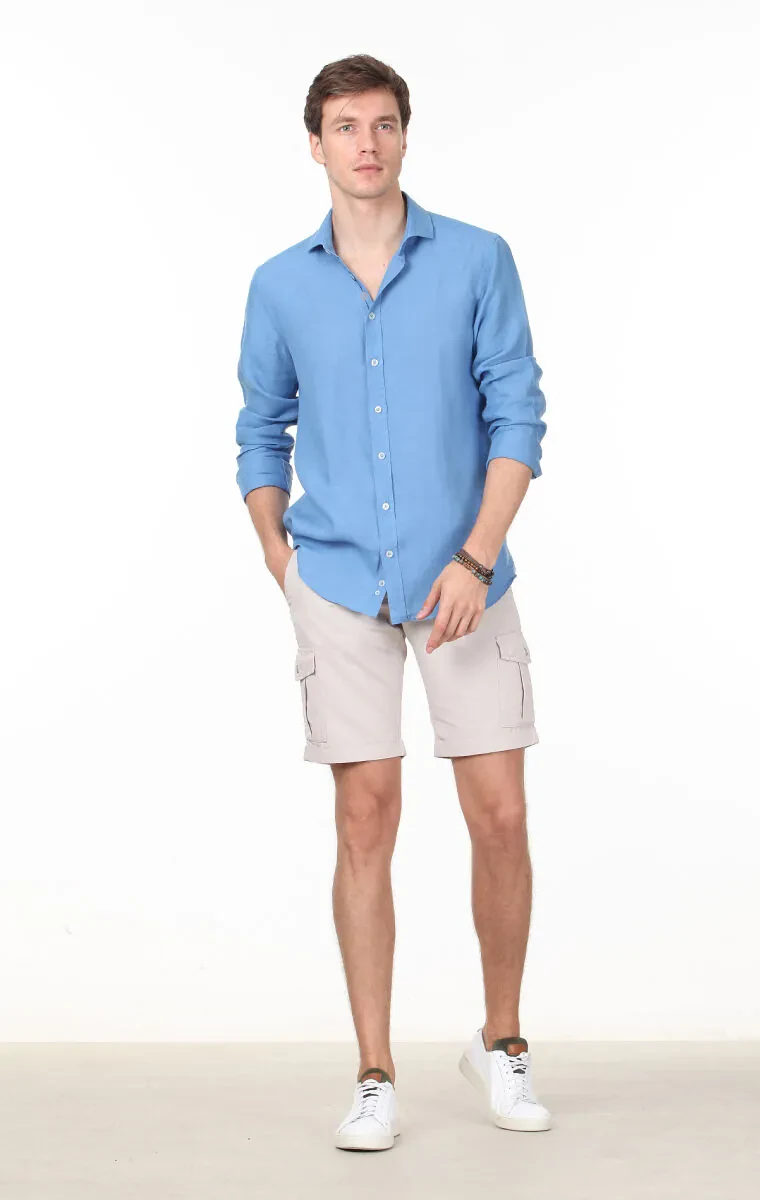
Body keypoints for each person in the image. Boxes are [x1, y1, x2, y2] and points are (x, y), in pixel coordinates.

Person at [235, 53, 550, 1151]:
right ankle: (374, 1073)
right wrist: (278, 556)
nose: (365, 144)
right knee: (364, 816)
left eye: (382, 123)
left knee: (499, 814)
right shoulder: (280, 284)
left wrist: (475, 558)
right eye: (344, 126)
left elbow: (519, 416)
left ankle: (502, 1042)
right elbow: (259, 427)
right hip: (335, 582)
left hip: (466, 579)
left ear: (406, 135)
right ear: (314, 144)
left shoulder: (476, 259)